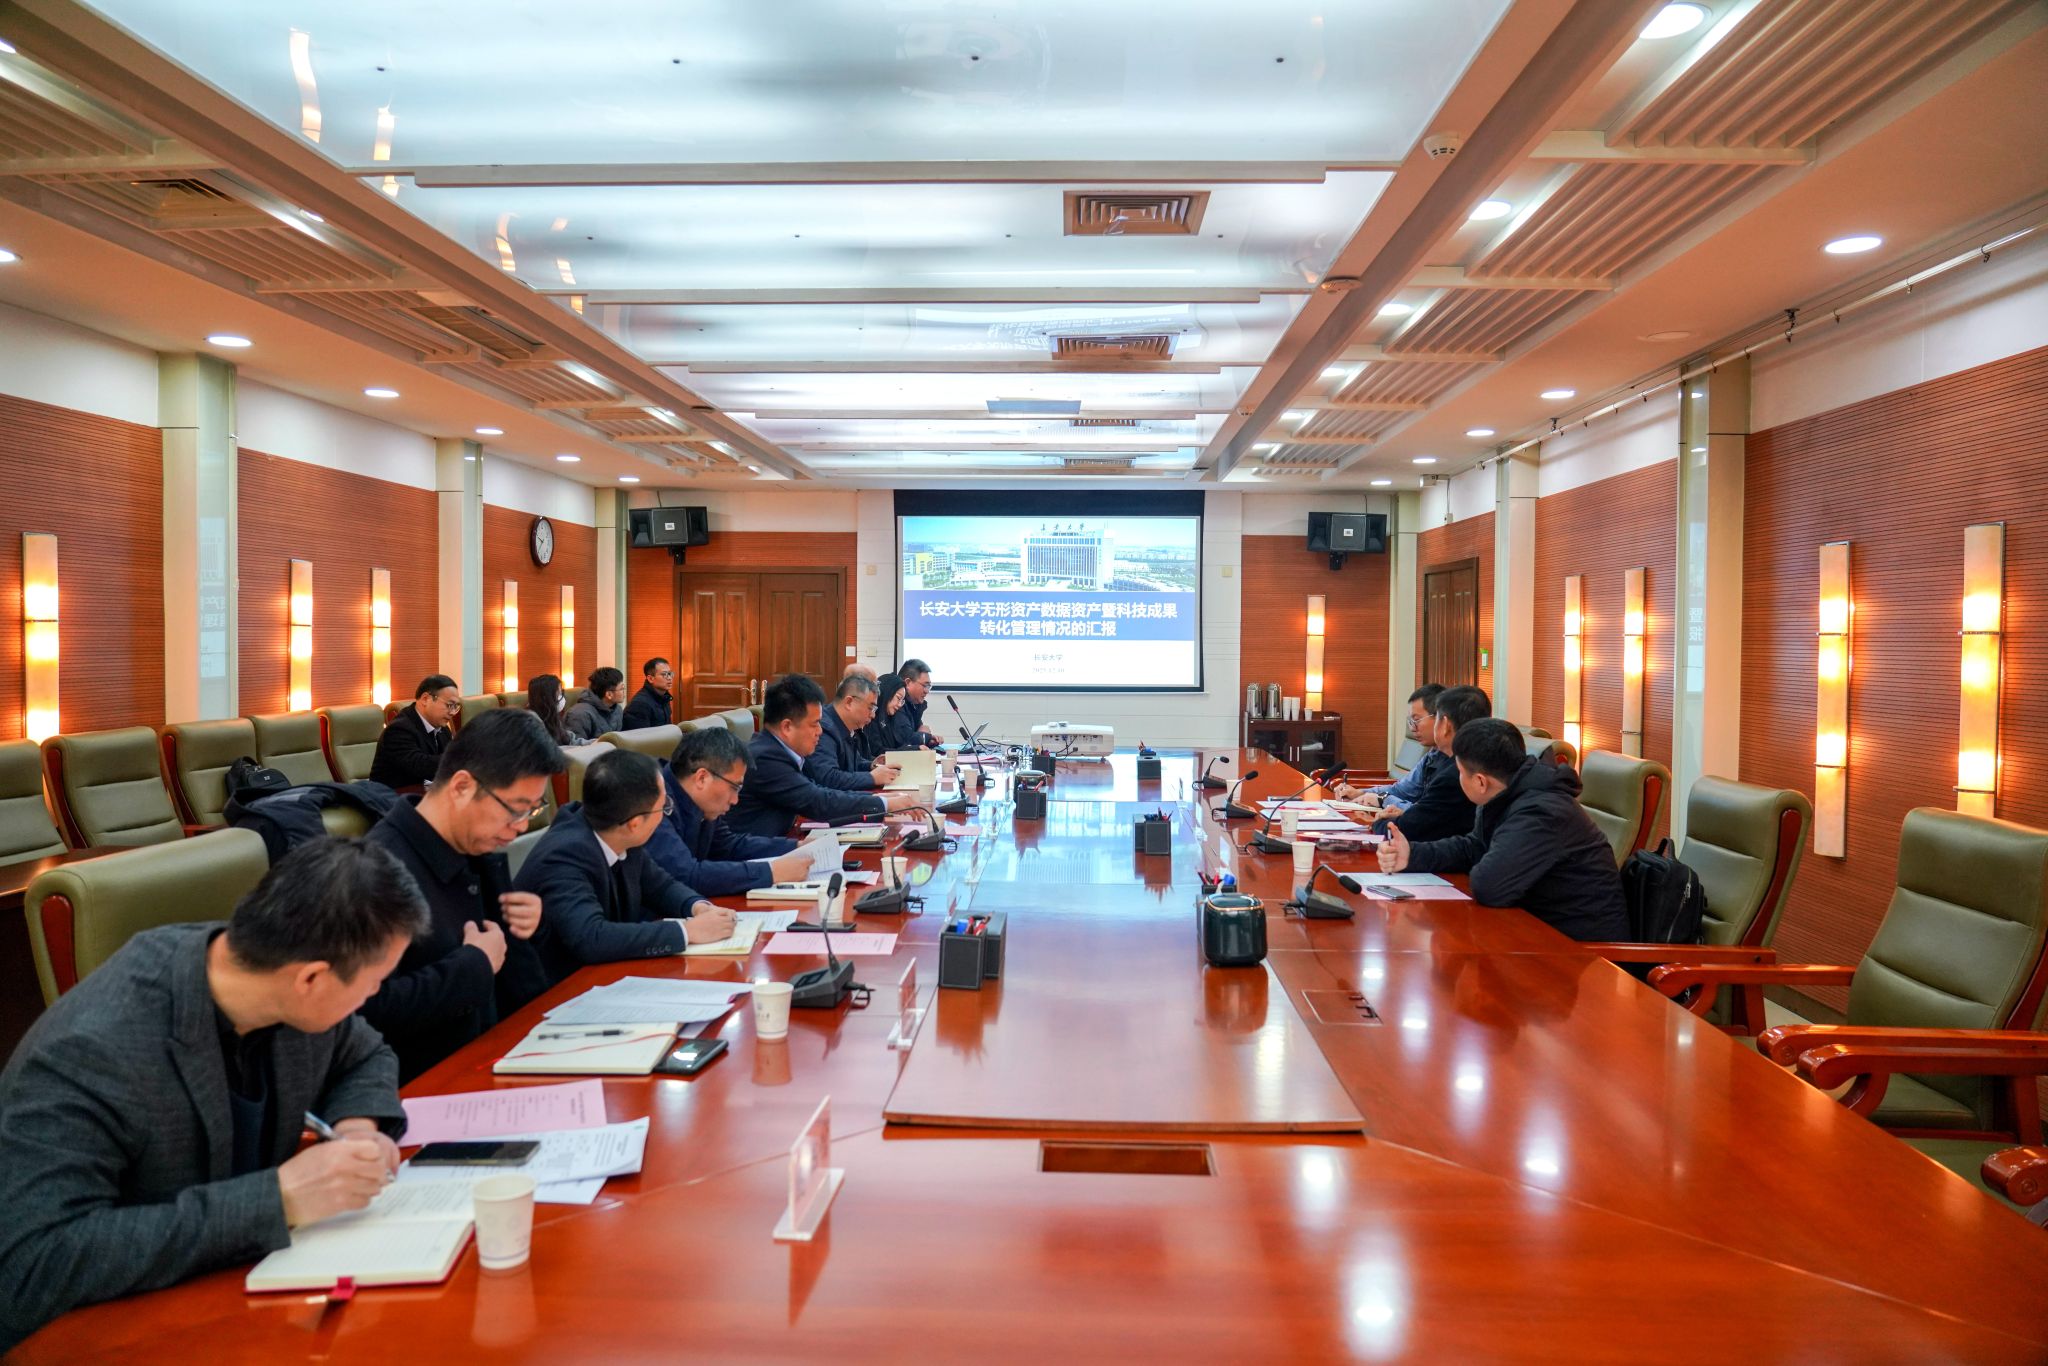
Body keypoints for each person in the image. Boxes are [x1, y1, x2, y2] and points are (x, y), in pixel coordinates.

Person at [0, 838, 429, 1350]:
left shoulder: (273, 975)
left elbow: (364, 1054)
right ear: (311, 978)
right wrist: (276, 1200)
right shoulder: (90, 1052)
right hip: (113, 1334)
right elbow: (31, 1268)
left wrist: (357, 1127)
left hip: (242, 1293)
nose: (373, 996)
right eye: (376, 981)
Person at [360, 706, 564, 1081]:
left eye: (533, 810)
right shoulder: (376, 872)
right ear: (461, 787)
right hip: (428, 1086)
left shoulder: (477, 847)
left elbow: (517, 975)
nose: (521, 827)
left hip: (507, 1059)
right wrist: (473, 966)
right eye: (516, 810)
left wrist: (535, 928)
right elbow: (363, 1012)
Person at [1377, 717, 1628, 941]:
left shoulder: (1541, 811)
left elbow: (1489, 886)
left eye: (1460, 772)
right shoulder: (1508, 793)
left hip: (1581, 953)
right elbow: (1474, 847)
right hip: (1532, 932)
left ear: (1480, 781)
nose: (1458, 779)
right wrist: (1412, 855)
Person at [519, 750, 738, 983]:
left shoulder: (617, 829)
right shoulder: (564, 855)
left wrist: (698, 907)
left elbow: (661, 886)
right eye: (663, 807)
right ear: (634, 823)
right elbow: (591, 937)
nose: (665, 815)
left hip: (605, 976)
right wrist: (687, 932)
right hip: (557, 990)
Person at [727, 674, 919, 837]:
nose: (820, 730)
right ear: (787, 727)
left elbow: (816, 790)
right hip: (758, 853)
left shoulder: (779, 751)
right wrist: (884, 802)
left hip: (782, 838)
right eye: (814, 724)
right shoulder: (766, 758)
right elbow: (818, 800)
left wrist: (882, 798)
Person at [646, 726, 813, 895]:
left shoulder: (701, 803)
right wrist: (770, 873)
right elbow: (686, 875)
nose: (735, 800)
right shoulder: (653, 802)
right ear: (702, 778)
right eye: (734, 788)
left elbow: (729, 846)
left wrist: (795, 847)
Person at [1378, 684, 1490, 843]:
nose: (1413, 728)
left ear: (1445, 725)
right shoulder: (1481, 761)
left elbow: (1408, 829)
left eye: (1437, 718)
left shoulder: (1454, 775)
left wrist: (1379, 822)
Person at [1335, 684, 1445, 806]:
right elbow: (1402, 791)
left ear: (1441, 718)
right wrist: (1359, 793)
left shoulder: (1454, 764)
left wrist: (1383, 800)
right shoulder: (1432, 756)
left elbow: (1429, 813)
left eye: (1416, 720)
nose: (1412, 728)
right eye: (1410, 721)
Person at [807, 674, 901, 791]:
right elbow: (828, 778)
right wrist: (872, 778)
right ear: (849, 702)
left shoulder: (847, 726)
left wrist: (872, 765)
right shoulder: (824, 730)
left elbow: (854, 763)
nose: (873, 715)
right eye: (870, 708)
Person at [369, 674, 460, 790]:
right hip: (392, 797)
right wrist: (461, 756)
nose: (452, 712)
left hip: (425, 794)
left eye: (456, 706)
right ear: (425, 699)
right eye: (449, 705)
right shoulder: (398, 729)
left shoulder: (442, 729)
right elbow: (420, 766)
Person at [564, 667, 626, 743]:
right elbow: (574, 746)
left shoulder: (617, 709)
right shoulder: (579, 714)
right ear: (609, 694)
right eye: (622, 688)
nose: (624, 692)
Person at [893, 659, 943, 749]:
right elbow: (905, 739)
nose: (927, 691)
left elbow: (918, 733)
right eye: (925, 685)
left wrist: (928, 740)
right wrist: (924, 736)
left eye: (929, 686)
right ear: (908, 683)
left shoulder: (914, 704)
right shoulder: (897, 705)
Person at [622, 657, 676, 730]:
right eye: (664, 674)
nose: (669, 678)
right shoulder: (640, 704)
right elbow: (640, 735)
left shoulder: (664, 697)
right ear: (650, 679)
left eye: (670, 674)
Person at [865, 671, 908, 759]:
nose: (900, 705)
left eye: (902, 701)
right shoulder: (869, 718)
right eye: (898, 698)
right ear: (887, 693)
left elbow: (898, 744)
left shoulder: (890, 717)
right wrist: (912, 751)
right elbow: (877, 751)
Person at [527, 673, 571, 745]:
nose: (561, 698)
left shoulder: (551, 715)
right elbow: (546, 748)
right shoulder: (531, 721)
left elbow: (568, 738)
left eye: (561, 693)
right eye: (558, 694)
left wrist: (590, 743)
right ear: (546, 697)